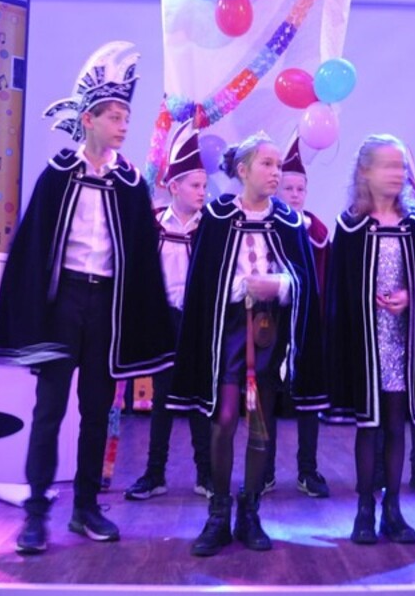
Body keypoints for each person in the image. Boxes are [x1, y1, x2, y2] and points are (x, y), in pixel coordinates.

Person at [0, 41, 175, 555]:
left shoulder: (130, 184)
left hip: (106, 307)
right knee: (49, 409)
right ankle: (35, 514)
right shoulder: (58, 174)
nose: (122, 125)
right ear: (88, 119)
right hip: (62, 306)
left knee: (98, 409)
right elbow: (32, 251)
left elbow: (141, 260)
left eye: (126, 117)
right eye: (114, 116)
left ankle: (86, 507)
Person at [167, 132, 327, 557]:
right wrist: (241, 287)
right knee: (224, 417)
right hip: (228, 330)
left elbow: (303, 279)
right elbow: (205, 281)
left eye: (278, 166)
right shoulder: (218, 217)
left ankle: (250, 511)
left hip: (268, 332)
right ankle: (218, 512)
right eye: (267, 165)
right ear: (243, 170)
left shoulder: (288, 222)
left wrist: (279, 285)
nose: (276, 173)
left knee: (259, 422)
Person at [326, 134, 415, 546]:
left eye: (401, 166)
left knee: (396, 424)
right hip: (367, 342)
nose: (397, 173)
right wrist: (364, 296)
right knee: (368, 426)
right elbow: (338, 289)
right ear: (365, 172)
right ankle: (363, 509)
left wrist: (409, 297)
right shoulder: (350, 227)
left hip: (402, 342)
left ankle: (393, 509)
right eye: (388, 166)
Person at [124, 123, 213, 501]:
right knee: (162, 398)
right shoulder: (155, 224)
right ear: (174, 186)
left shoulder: (210, 227)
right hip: (163, 321)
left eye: (204, 186)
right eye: (195, 185)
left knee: (198, 400)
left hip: (196, 324)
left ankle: (207, 474)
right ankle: (154, 473)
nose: (202, 192)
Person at [260, 134, 330, 498]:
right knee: (266, 394)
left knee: (309, 394)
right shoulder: (264, 223)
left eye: (300, 188)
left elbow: (323, 276)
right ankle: (264, 471)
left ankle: (308, 470)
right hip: (268, 319)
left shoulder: (315, 231)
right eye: (288, 187)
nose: (295, 194)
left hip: (305, 320)